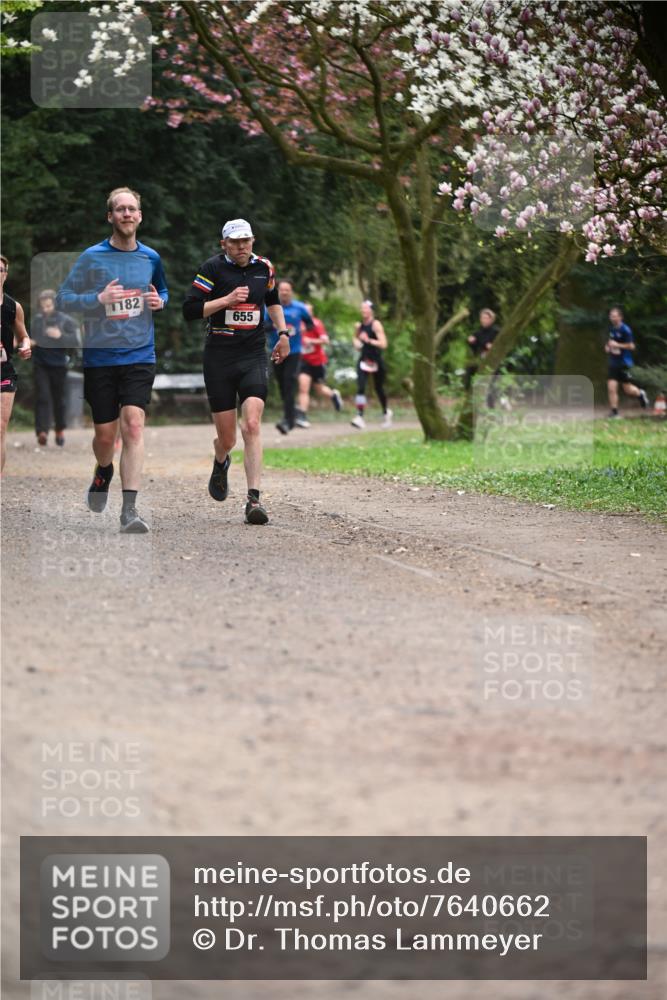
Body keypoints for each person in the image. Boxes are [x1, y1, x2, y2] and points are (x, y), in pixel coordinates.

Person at [56, 187, 168, 533]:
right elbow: (64, 299)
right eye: (120, 209)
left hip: (139, 354)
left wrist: (159, 301)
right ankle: (103, 469)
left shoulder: (151, 258)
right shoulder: (92, 257)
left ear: (139, 216)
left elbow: (161, 290)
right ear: (110, 217)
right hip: (100, 357)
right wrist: (98, 298)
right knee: (106, 436)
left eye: (132, 209)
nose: (126, 214)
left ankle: (130, 510)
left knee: (133, 425)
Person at [182, 218, 290, 525]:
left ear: (253, 241)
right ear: (224, 245)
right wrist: (225, 301)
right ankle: (221, 459)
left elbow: (271, 300)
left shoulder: (264, 268)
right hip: (219, 356)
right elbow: (189, 309)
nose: (242, 247)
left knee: (252, 424)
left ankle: (253, 499)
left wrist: (283, 335)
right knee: (227, 437)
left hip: (253, 354)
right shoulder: (212, 269)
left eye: (246, 241)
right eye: (235, 242)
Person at [31, 289, 80, 447]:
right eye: (43, 306)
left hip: (59, 365)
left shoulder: (66, 321)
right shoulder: (37, 320)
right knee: (42, 397)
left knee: (59, 400)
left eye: (48, 306)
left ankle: (59, 429)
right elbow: (33, 339)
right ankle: (42, 432)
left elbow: (75, 342)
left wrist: (60, 336)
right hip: (41, 364)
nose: (45, 309)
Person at [265, 279, 313, 434]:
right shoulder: (271, 308)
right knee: (282, 386)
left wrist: (303, 328)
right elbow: (263, 326)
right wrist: (275, 326)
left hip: (294, 351)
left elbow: (310, 323)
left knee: (289, 383)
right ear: (278, 291)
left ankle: (289, 420)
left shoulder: (300, 308)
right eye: (282, 290)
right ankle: (291, 416)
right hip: (276, 351)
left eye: (287, 290)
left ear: (291, 292)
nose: (285, 292)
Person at [1, 255, 32, 472]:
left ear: (6, 274)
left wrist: (25, 346)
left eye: (0, 269)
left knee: (0, 428)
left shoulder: (13, 306)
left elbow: (24, 336)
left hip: (4, 371)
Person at [294, 303, 342, 427]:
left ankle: (333, 395)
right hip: (303, 361)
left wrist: (312, 341)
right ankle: (302, 416)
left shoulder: (316, 323)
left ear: (311, 313)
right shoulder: (298, 324)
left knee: (319, 389)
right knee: (303, 388)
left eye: (308, 311)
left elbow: (326, 340)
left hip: (317, 361)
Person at [351, 300, 392, 429]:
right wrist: (356, 343)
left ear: (371, 310)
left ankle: (386, 412)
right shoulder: (359, 326)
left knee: (379, 389)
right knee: (361, 387)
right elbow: (356, 338)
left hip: (376, 360)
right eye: (362, 308)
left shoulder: (376, 325)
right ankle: (359, 416)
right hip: (364, 359)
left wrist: (369, 340)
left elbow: (384, 344)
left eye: (366, 308)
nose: (363, 311)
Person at [605, 306, 649, 417]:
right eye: (611, 316)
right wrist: (607, 347)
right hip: (613, 362)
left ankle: (640, 394)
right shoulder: (611, 329)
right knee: (611, 387)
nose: (613, 318)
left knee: (627, 389)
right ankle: (614, 413)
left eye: (615, 316)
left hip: (624, 363)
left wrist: (618, 345)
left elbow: (632, 346)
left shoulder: (626, 330)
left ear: (620, 317)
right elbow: (610, 342)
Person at [464, 308, 499, 390]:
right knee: (469, 369)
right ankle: (468, 393)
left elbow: (498, 345)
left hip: (492, 359)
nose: (483, 320)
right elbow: (475, 347)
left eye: (486, 318)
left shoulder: (496, 331)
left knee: (493, 380)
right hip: (480, 358)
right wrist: (471, 342)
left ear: (491, 319)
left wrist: (491, 346)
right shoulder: (478, 332)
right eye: (482, 318)